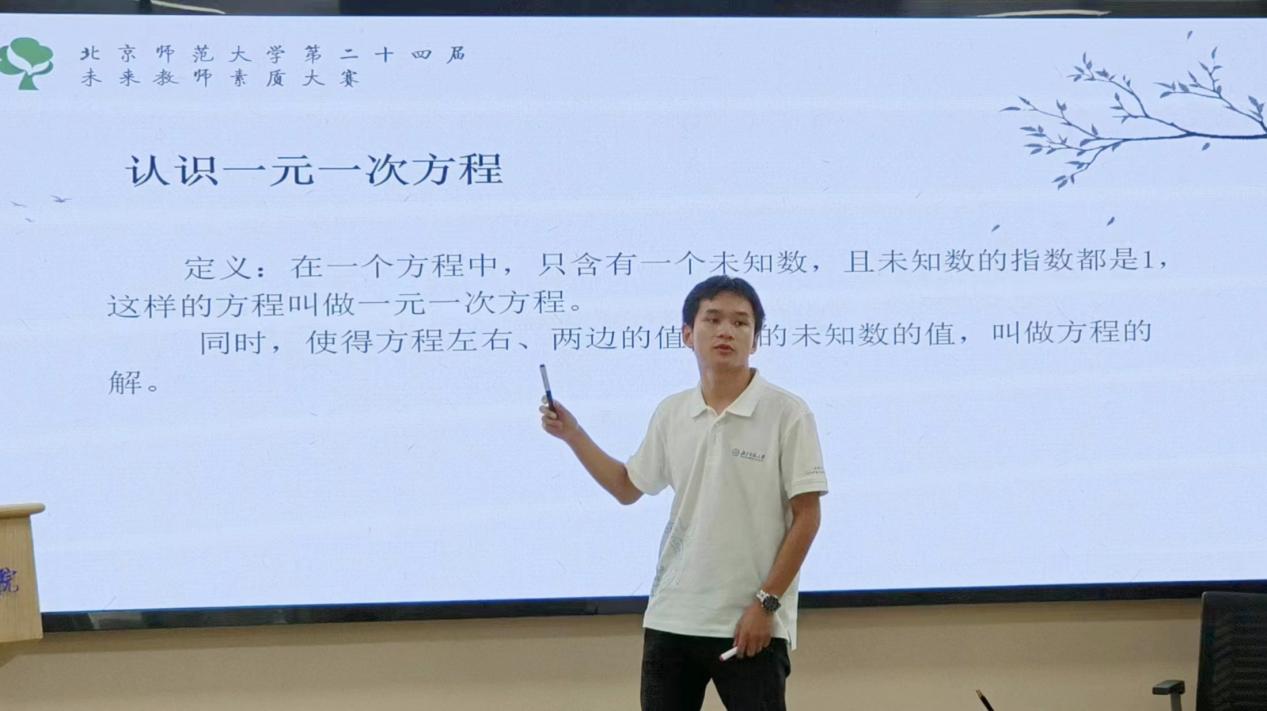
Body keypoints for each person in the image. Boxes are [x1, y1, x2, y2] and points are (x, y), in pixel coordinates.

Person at [540, 275, 829, 711]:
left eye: (741, 323)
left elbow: (807, 517)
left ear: (755, 341)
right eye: (712, 319)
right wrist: (573, 434)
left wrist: (766, 604)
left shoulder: (787, 413)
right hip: (672, 619)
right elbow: (626, 487)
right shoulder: (673, 412)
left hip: (749, 623)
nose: (726, 331)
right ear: (688, 334)